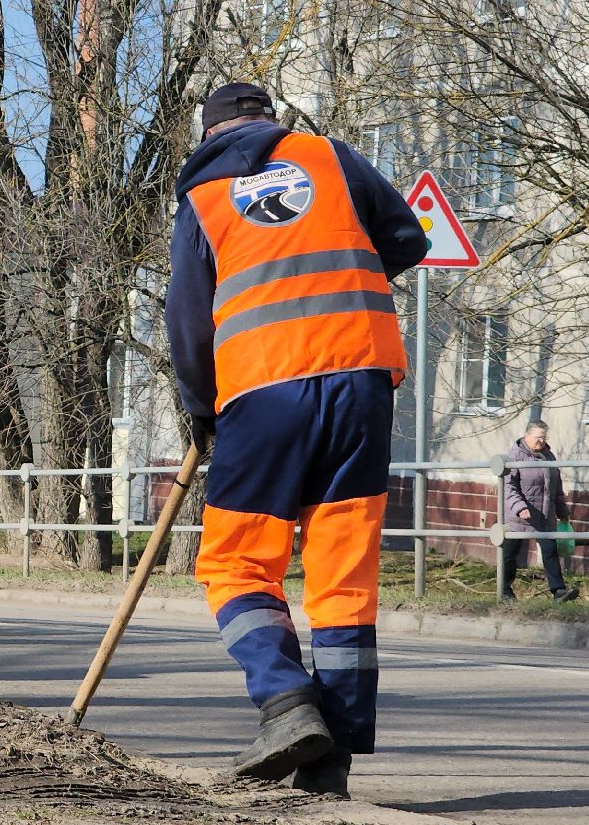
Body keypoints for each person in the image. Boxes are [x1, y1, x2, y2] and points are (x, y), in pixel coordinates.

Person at [165, 83, 428, 797]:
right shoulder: (329, 157)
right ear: (269, 122)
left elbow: (188, 321)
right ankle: (328, 759)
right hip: (363, 381)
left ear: (210, 134)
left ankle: (285, 705)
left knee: (237, 564)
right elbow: (408, 237)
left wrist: (201, 407)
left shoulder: (206, 195)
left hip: (263, 389)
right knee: (342, 574)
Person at [502, 421, 579, 602]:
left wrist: (562, 510)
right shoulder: (515, 457)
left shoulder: (548, 456)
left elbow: (556, 487)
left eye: (544, 437)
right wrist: (520, 508)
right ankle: (504, 590)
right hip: (522, 515)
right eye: (538, 437)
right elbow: (509, 487)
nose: (542, 441)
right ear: (527, 436)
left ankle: (559, 591)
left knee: (549, 549)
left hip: (545, 514)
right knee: (511, 552)